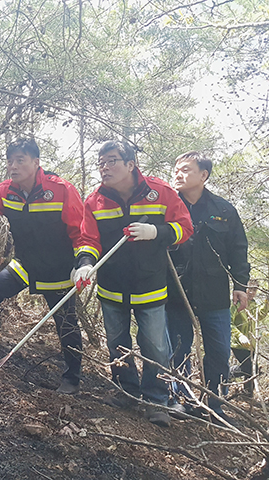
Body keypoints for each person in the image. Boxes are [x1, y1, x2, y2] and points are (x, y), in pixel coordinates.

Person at [0, 138, 86, 395]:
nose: (13, 165)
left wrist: (83, 262)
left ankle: (73, 378)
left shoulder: (62, 190)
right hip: (26, 264)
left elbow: (80, 231)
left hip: (59, 269)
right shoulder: (7, 190)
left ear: (36, 162)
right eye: (10, 160)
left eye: (20, 160)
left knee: (65, 322)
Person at [72, 140, 193, 427]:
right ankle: (126, 391)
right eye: (101, 162)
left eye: (112, 161)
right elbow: (88, 240)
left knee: (155, 347)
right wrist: (85, 264)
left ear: (130, 164)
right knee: (117, 343)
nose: (105, 167)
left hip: (150, 286)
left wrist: (157, 231)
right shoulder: (95, 201)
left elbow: (185, 228)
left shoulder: (159, 192)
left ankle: (156, 401)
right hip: (112, 287)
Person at [166, 151, 250, 421]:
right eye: (176, 169)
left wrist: (240, 285)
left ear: (203, 175)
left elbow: (238, 249)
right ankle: (181, 399)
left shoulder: (223, 210)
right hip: (177, 291)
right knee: (178, 347)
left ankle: (214, 404)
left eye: (186, 169)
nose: (178, 174)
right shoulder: (167, 207)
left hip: (214, 295)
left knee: (219, 351)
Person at [230, 279, 267, 393]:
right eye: (249, 288)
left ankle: (248, 394)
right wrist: (239, 336)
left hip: (251, 344)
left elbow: (259, 316)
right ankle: (227, 373)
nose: (252, 292)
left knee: (253, 370)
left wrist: (267, 303)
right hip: (238, 344)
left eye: (255, 289)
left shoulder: (254, 303)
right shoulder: (235, 303)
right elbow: (228, 322)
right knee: (251, 368)